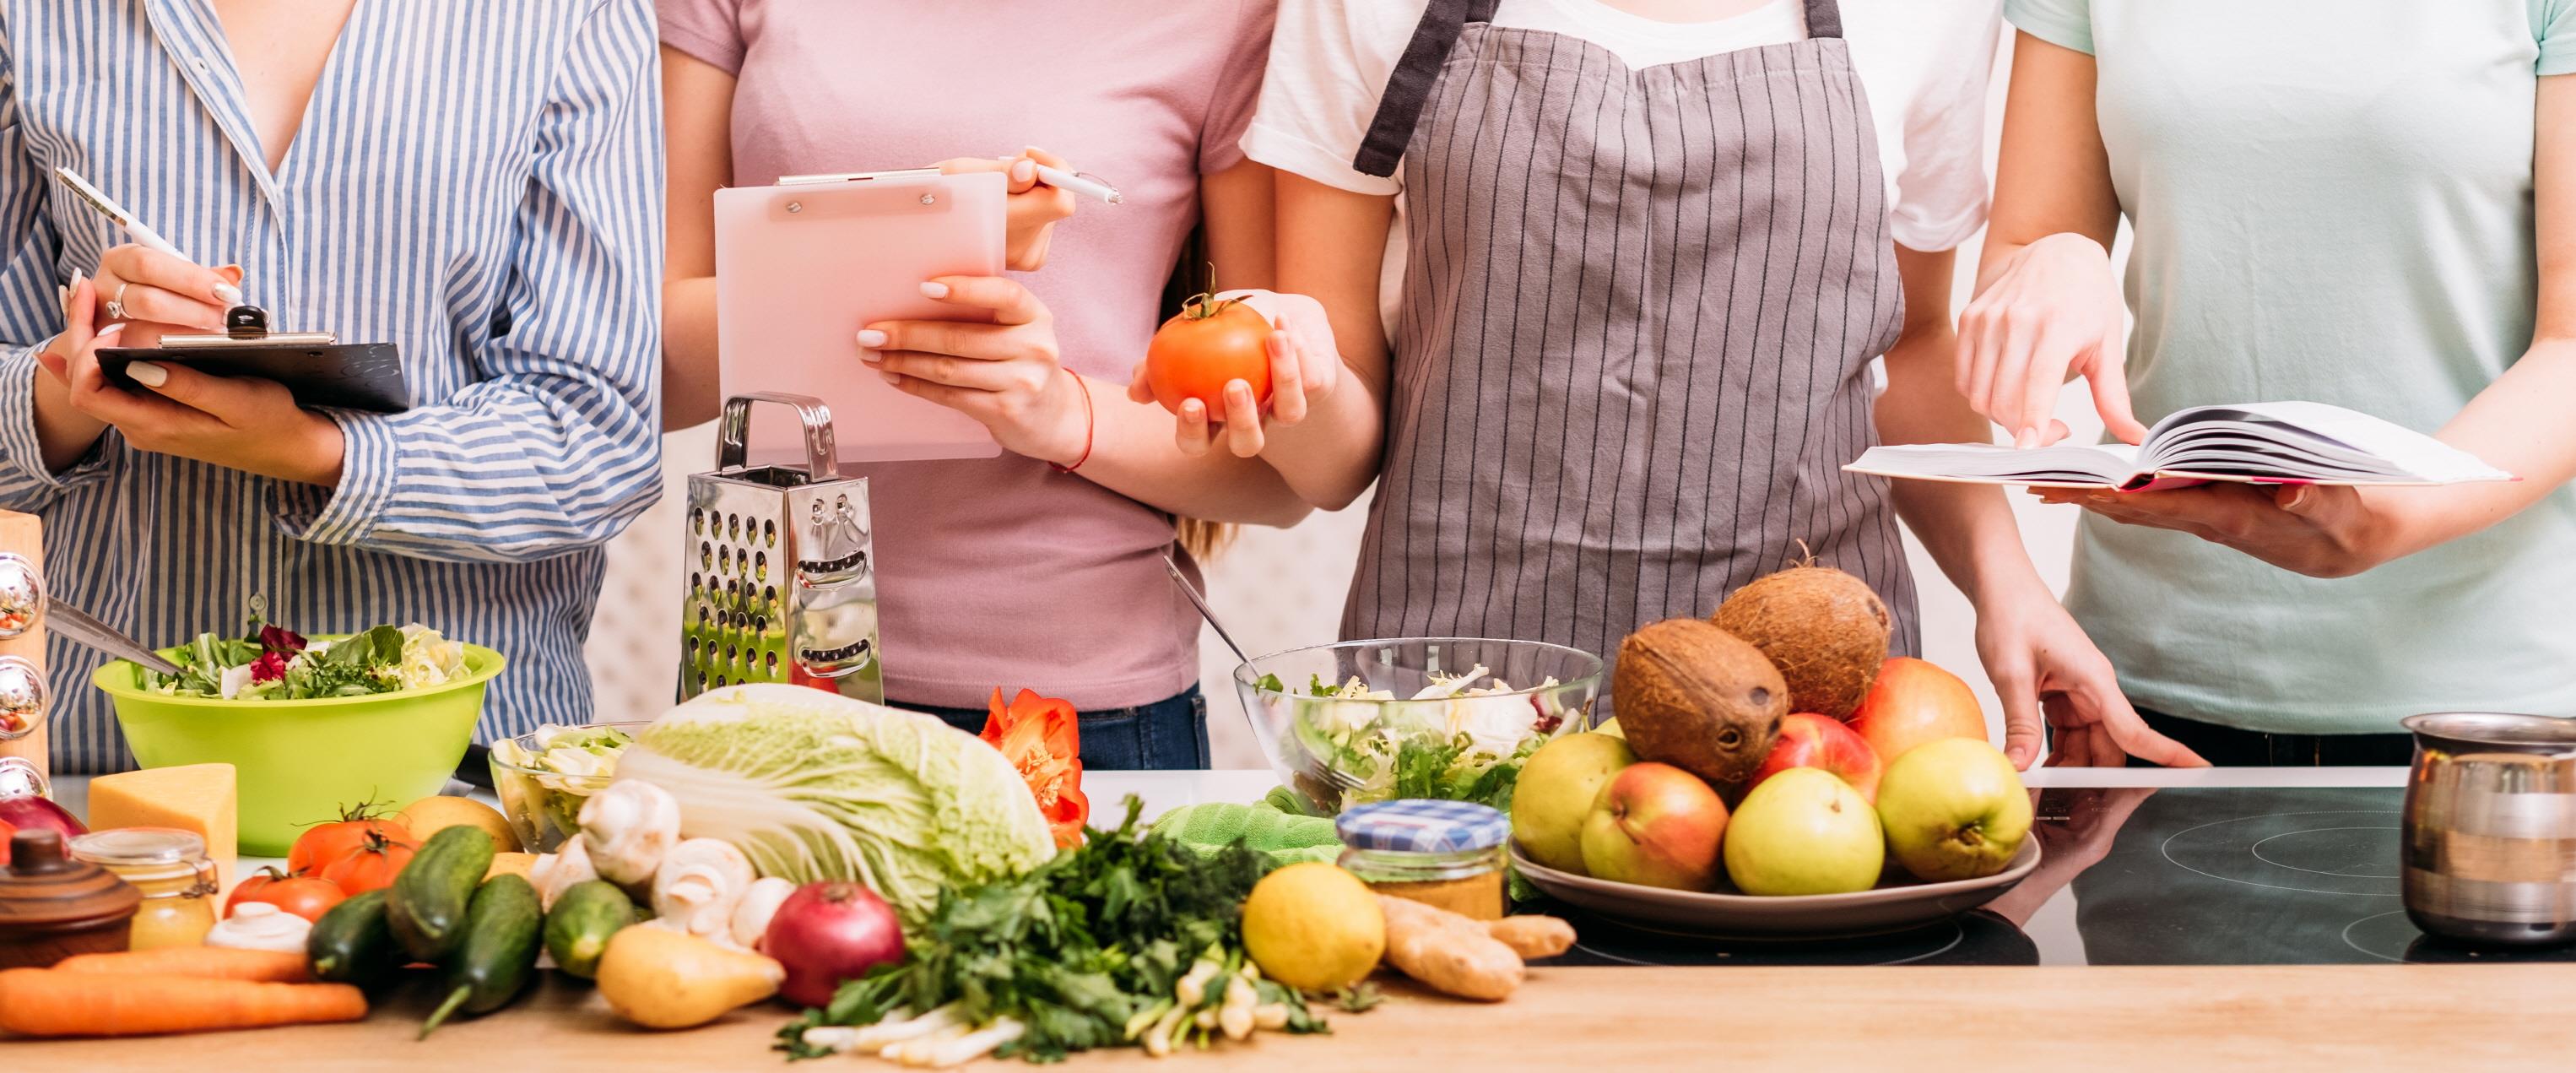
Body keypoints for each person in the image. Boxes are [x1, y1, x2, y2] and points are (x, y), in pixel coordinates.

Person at [1219, 0, 2196, 767]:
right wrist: (1276, 379)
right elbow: (1336, 457)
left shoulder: (1922, 9)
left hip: (1809, 731)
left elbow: (1911, 348)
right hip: (1460, 711)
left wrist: (2005, 581)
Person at [0, 0, 664, 772]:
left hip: (464, 773)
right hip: (110, 769)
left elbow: (600, 435)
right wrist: (80, 376)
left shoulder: (570, 14)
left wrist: (319, 452)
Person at [658, 0, 1309, 769]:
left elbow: (1275, 474)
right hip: (771, 674)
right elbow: (655, 373)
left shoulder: (1234, 19)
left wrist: (1061, 414)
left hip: (1079, 716)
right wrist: (927, 238)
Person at [1955, 2, 2574, 763]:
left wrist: (2376, 522)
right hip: (2142, 687)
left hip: (2496, 713)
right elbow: (2027, 242)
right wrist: (2058, 261)